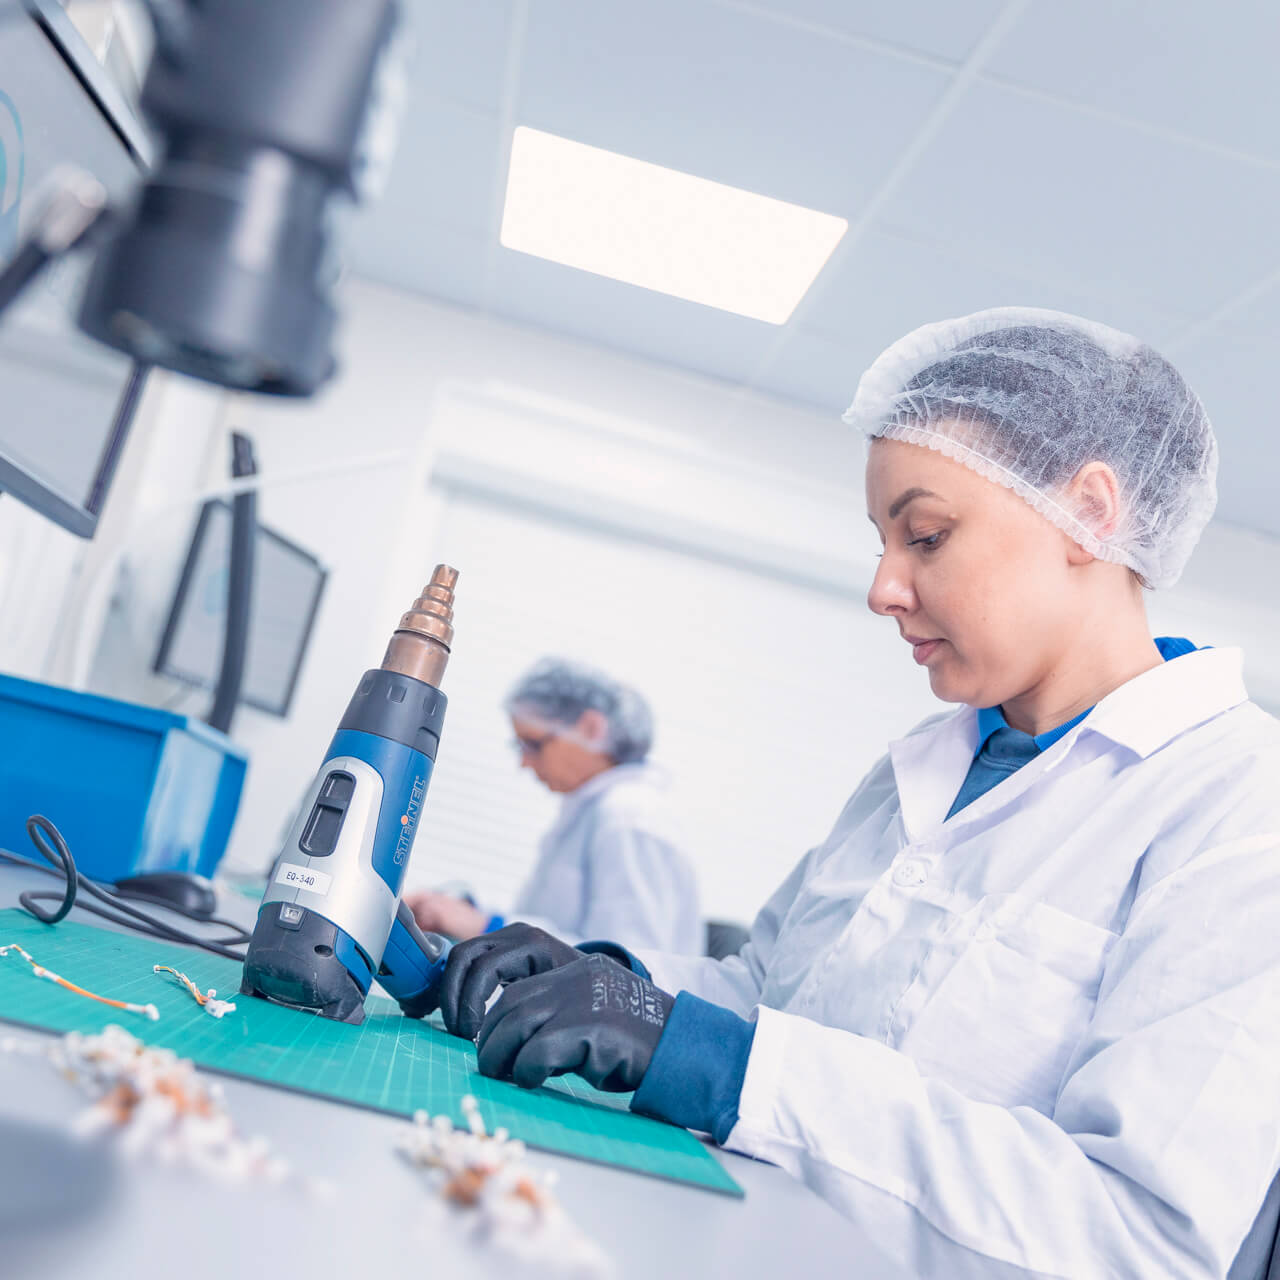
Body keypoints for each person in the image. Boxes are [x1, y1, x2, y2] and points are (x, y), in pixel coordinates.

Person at [423, 309, 1280, 1279]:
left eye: (924, 534)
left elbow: (1136, 1238)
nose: (881, 586)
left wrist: (718, 1062)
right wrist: (597, 974)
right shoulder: (921, 764)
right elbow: (767, 992)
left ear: (1088, 511)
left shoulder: (1239, 807)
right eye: (882, 539)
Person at [405, 658, 703, 955]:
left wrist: (488, 928)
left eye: (533, 744)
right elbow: (559, 925)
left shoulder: (631, 819)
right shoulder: (592, 811)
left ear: (590, 728)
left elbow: (626, 965)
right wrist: (465, 915)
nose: (524, 762)